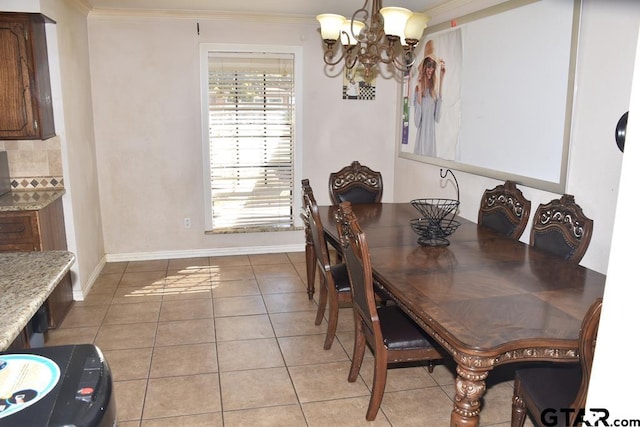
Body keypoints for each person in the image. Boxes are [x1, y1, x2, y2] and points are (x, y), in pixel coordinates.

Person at [413, 39, 446, 156]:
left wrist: (441, 80)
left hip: (431, 143)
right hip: (421, 142)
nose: (430, 69)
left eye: (433, 66)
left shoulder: (434, 93)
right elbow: (417, 122)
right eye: (428, 65)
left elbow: (437, 118)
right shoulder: (418, 90)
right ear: (424, 67)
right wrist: (420, 96)